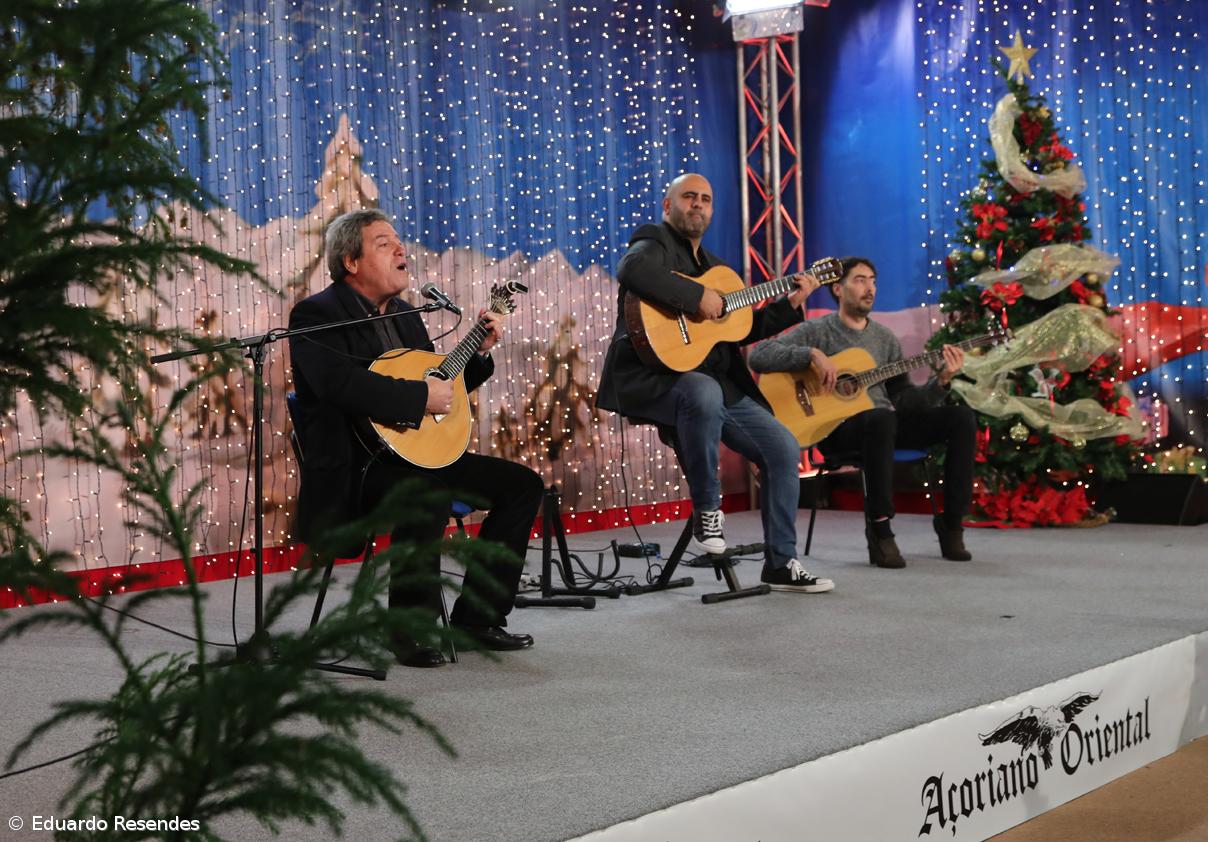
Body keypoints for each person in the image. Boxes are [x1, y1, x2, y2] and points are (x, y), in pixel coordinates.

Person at [289, 209, 543, 667]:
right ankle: (410, 628)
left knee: (523, 485)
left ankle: (477, 619)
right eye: (385, 244)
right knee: (424, 494)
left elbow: (440, 387)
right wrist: (419, 395)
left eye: (399, 241)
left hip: (414, 454)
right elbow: (339, 385)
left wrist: (478, 355)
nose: (401, 249)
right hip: (357, 469)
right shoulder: (315, 315)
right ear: (350, 261)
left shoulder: (409, 315)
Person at [596, 173, 834, 594]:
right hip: (655, 378)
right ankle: (708, 508)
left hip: (716, 382)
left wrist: (791, 305)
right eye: (689, 197)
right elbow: (632, 269)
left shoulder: (719, 270)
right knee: (701, 391)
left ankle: (781, 562)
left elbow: (740, 328)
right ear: (669, 206)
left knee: (783, 447)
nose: (698, 205)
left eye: (706, 199)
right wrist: (693, 299)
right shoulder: (653, 241)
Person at [748, 256, 976, 568]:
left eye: (872, 280)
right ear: (838, 289)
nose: (869, 288)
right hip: (835, 431)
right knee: (881, 419)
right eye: (859, 280)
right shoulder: (818, 331)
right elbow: (759, 356)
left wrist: (943, 381)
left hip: (883, 428)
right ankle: (880, 529)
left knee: (960, 418)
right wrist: (811, 356)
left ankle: (951, 524)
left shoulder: (884, 339)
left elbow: (906, 400)